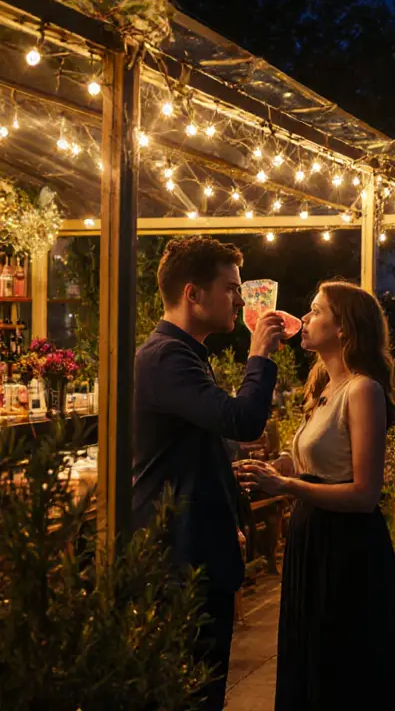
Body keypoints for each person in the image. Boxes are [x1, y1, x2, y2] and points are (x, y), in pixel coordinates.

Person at [238, 280, 395, 710]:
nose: (305, 318)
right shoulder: (322, 389)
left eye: (316, 311)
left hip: (345, 547)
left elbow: (363, 494)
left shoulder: (362, 390)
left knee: (343, 667)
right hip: (311, 539)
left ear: (344, 329)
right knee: (312, 659)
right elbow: (320, 463)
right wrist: (283, 465)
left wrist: (285, 487)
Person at [132, 236, 285, 711]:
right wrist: (260, 354)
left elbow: (203, 447)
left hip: (196, 546)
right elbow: (240, 420)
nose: (239, 301)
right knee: (191, 694)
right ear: (193, 294)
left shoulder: (187, 354)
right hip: (177, 558)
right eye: (231, 289)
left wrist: (231, 519)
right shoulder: (166, 358)